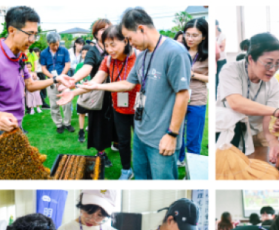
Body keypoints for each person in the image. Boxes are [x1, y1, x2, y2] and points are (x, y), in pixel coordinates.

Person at [79, 8, 192, 180]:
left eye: (130, 38)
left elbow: (183, 95)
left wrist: (172, 134)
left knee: (162, 180)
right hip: (141, 134)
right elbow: (127, 84)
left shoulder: (175, 52)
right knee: (141, 177)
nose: (130, 43)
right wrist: (93, 87)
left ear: (141, 29)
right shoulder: (143, 56)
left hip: (161, 137)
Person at [0, 6, 73, 137]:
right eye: (29, 34)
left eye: (35, 35)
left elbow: (30, 85)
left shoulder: (18, 57)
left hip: (16, 128)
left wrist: (55, 79)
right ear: (12, 30)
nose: (32, 40)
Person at [58, 25, 139, 179]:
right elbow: (94, 81)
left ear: (126, 41)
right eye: (106, 45)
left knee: (141, 144)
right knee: (123, 141)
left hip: (139, 108)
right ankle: (126, 170)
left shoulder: (138, 58)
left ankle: (144, 172)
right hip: (119, 108)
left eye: (113, 45)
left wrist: (98, 86)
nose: (109, 49)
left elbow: (128, 84)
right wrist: (73, 92)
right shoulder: (108, 60)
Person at [216, 33, 279, 156]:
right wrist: (275, 111)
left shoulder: (273, 84)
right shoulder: (230, 70)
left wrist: (272, 142)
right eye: (268, 63)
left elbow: (268, 117)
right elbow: (236, 103)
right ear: (250, 59)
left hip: (259, 133)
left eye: (277, 63)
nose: (273, 69)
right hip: (230, 132)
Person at [65, 18, 116, 168]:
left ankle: (116, 144)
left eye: (109, 28)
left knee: (114, 121)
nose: (106, 32)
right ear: (95, 34)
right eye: (102, 30)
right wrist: (72, 80)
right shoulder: (93, 51)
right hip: (97, 92)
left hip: (114, 91)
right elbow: (86, 68)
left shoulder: (113, 48)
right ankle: (100, 152)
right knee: (99, 123)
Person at [178, 18, 210, 166]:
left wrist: (193, 75)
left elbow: (211, 78)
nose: (190, 38)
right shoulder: (178, 50)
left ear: (203, 36)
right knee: (176, 132)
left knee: (193, 137)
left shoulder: (208, 55)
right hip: (178, 97)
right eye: (188, 34)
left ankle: (192, 166)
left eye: (195, 35)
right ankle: (178, 159)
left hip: (197, 98)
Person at [40, 32, 74, 134]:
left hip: (64, 80)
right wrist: (54, 78)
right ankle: (59, 124)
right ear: (48, 43)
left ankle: (67, 123)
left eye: (57, 44)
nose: (56, 46)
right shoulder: (43, 53)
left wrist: (61, 77)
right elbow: (43, 69)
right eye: (53, 44)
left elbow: (67, 65)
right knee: (54, 104)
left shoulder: (64, 51)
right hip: (51, 81)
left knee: (67, 103)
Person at [73, 46, 89, 143]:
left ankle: (91, 128)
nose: (85, 55)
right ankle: (81, 131)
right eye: (83, 53)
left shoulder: (96, 66)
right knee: (81, 113)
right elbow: (76, 79)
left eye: (87, 53)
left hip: (93, 95)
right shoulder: (79, 66)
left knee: (92, 113)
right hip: (82, 94)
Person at [216, 20, 227, 99]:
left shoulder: (222, 35)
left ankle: (223, 96)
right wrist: (217, 46)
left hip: (222, 60)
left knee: (222, 79)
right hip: (214, 61)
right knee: (216, 80)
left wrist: (215, 47)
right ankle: (217, 98)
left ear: (217, 25)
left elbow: (222, 48)